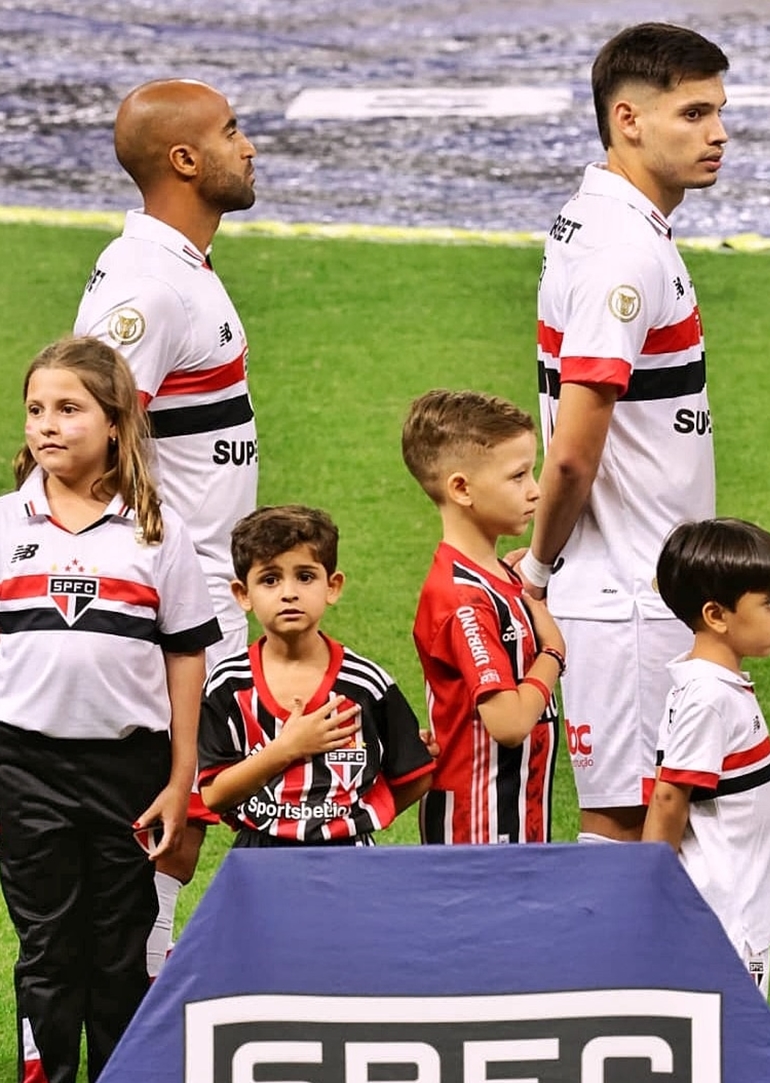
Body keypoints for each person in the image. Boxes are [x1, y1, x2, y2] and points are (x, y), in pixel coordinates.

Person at [0, 336, 220, 1083]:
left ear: (117, 420)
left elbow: (185, 661)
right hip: (23, 768)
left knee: (121, 949)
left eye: (69, 408)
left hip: (130, 772)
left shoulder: (157, 531)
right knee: (49, 948)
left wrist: (179, 777)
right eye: (36, 409)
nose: (48, 425)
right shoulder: (4, 523)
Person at [517, 23, 729, 843]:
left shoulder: (602, 220)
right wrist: (537, 571)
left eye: (718, 113)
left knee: (661, 826)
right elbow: (573, 449)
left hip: (641, 581)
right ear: (629, 119)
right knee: (630, 828)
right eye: (694, 114)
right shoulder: (620, 251)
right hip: (631, 596)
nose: (717, 134)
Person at [73, 78, 259, 971]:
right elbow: (81, 440)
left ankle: (149, 984)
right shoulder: (148, 286)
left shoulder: (182, 266)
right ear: (184, 161)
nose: (249, 145)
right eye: (231, 132)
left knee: (189, 812)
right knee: (173, 806)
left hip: (203, 590)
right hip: (169, 608)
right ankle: (136, 1003)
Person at [198, 505, 433, 843]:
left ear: (332, 586)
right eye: (270, 579)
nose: (289, 593)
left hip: (348, 863)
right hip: (260, 859)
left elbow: (415, 773)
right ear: (243, 595)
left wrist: (358, 817)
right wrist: (286, 749)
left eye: (305, 576)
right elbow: (214, 794)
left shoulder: (365, 684)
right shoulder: (228, 684)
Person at [642, 518, 770, 996]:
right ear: (716, 615)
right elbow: (670, 797)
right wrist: (649, 882)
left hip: (742, 896)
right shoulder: (709, 697)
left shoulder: (716, 687)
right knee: (734, 1028)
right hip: (730, 907)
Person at [402, 388, 565, 844]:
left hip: (513, 820)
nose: (535, 490)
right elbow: (509, 723)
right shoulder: (463, 601)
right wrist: (552, 652)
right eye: (517, 476)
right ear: (461, 488)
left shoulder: (494, 574)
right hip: (478, 833)